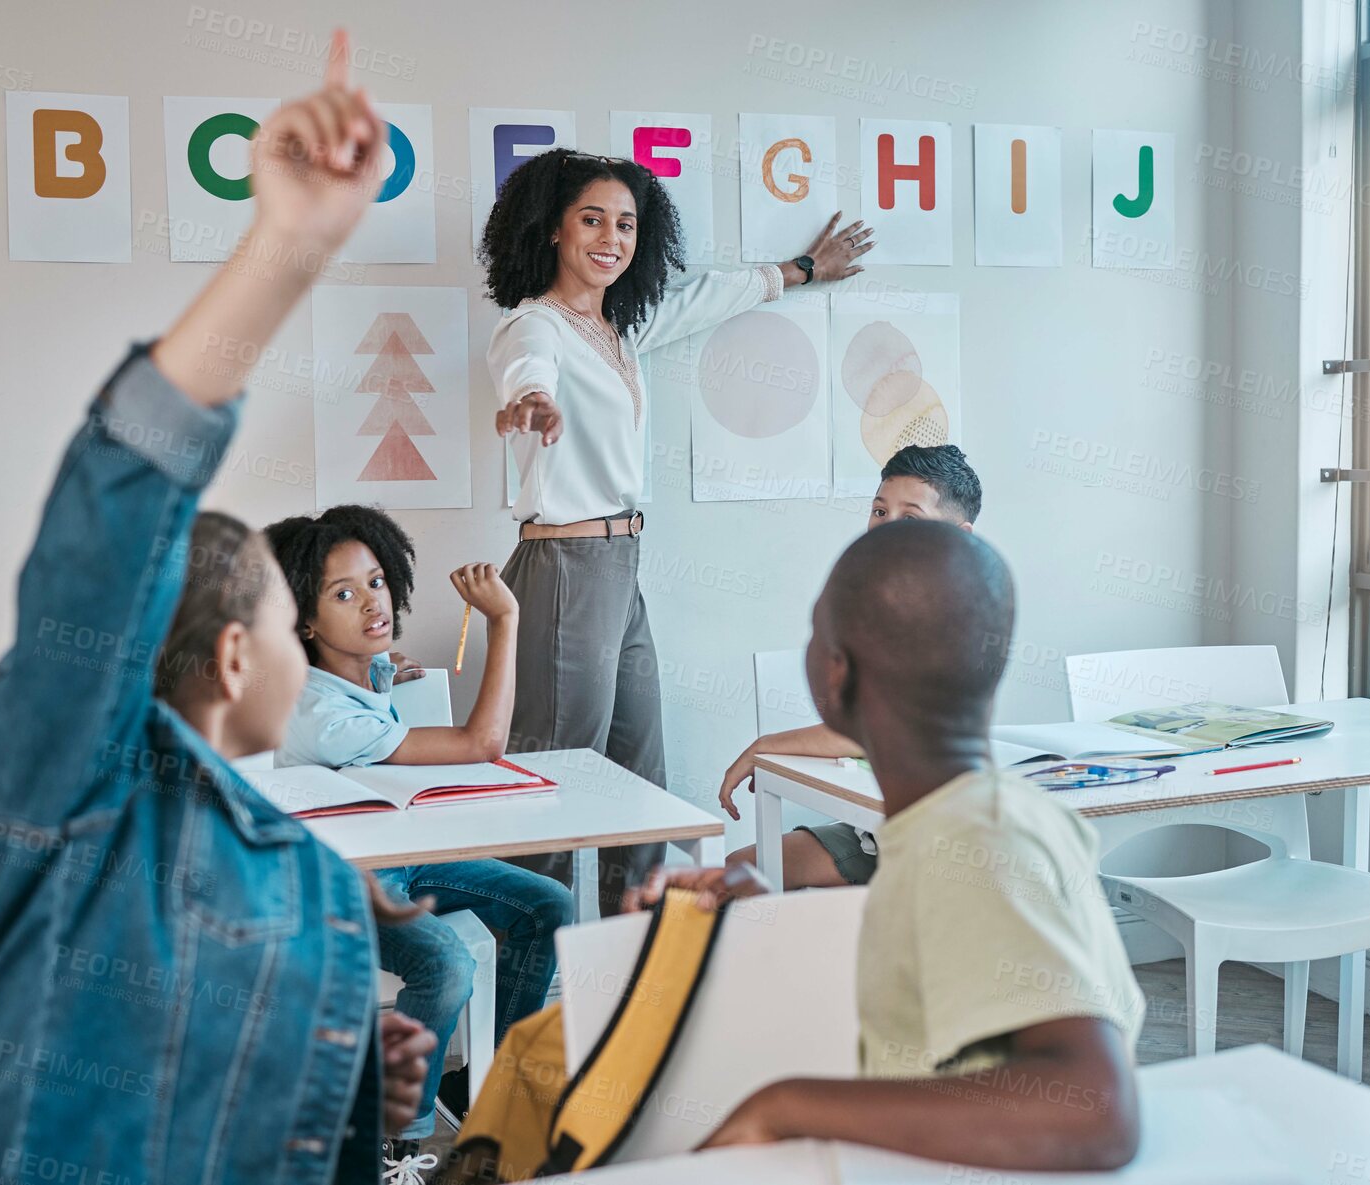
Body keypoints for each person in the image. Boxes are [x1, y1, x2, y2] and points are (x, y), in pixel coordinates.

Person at [0, 33, 437, 1185]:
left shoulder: (295, 871)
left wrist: (350, 1073)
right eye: (292, 614)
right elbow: (111, 510)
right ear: (245, 658)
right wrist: (288, 248)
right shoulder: (57, 798)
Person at [628, 521, 1145, 1172]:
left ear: (836, 675)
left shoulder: (972, 840)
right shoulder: (972, 817)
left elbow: (1096, 1107)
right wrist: (766, 911)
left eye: (816, 633)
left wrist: (784, 1104)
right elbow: (920, 971)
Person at [480, 147, 874, 913]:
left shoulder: (620, 329)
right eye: (591, 218)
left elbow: (707, 299)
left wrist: (803, 268)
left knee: (639, 775)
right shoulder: (533, 326)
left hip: (619, 566)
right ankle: (531, 969)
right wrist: (528, 402)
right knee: (556, 782)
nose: (610, 237)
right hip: (565, 567)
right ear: (553, 230)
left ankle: (645, 952)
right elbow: (526, 368)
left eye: (626, 223)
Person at [265, 505, 573, 1153]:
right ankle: (395, 1134)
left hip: (394, 857)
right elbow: (483, 740)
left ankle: (492, 1087)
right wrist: (505, 619)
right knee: (445, 963)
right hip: (336, 882)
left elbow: (373, 695)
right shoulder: (321, 711)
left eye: (375, 581)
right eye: (343, 594)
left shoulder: (356, 670)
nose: (371, 602)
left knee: (549, 903)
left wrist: (387, 673)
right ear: (307, 619)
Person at [719, 444, 982, 889]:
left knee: (731, 881)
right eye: (880, 511)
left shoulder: (961, 619)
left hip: (927, 849)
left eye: (910, 518)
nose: (886, 528)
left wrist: (761, 745)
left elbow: (873, 733)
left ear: (959, 536)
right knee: (730, 874)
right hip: (870, 834)